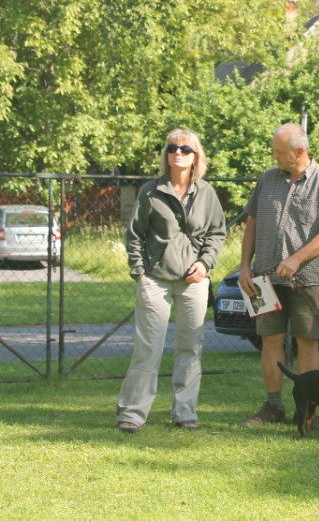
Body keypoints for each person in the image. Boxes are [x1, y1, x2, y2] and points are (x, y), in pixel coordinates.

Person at [117, 129, 227, 433]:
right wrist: (139, 272)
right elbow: (134, 234)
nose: (178, 152)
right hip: (155, 280)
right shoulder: (150, 191)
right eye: (172, 148)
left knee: (190, 347)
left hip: (194, 282)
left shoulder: (206, 193)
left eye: (185, 149)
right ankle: (132, 414)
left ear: (196, 156)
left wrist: (205, 263)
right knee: (148, 348)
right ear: (166, 155)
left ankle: (185, 412)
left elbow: (217, 233)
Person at [239, 123, 319, 428]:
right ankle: (273, 407)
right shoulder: (266, 179)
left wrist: (297, 259)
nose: (274, 156)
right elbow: (252, 224)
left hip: (307, 279)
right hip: (262, 278)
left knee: (307, 342)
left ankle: (309, 412)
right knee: (269, 339)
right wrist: (244, 266)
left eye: (279, 151)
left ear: (299, 151)